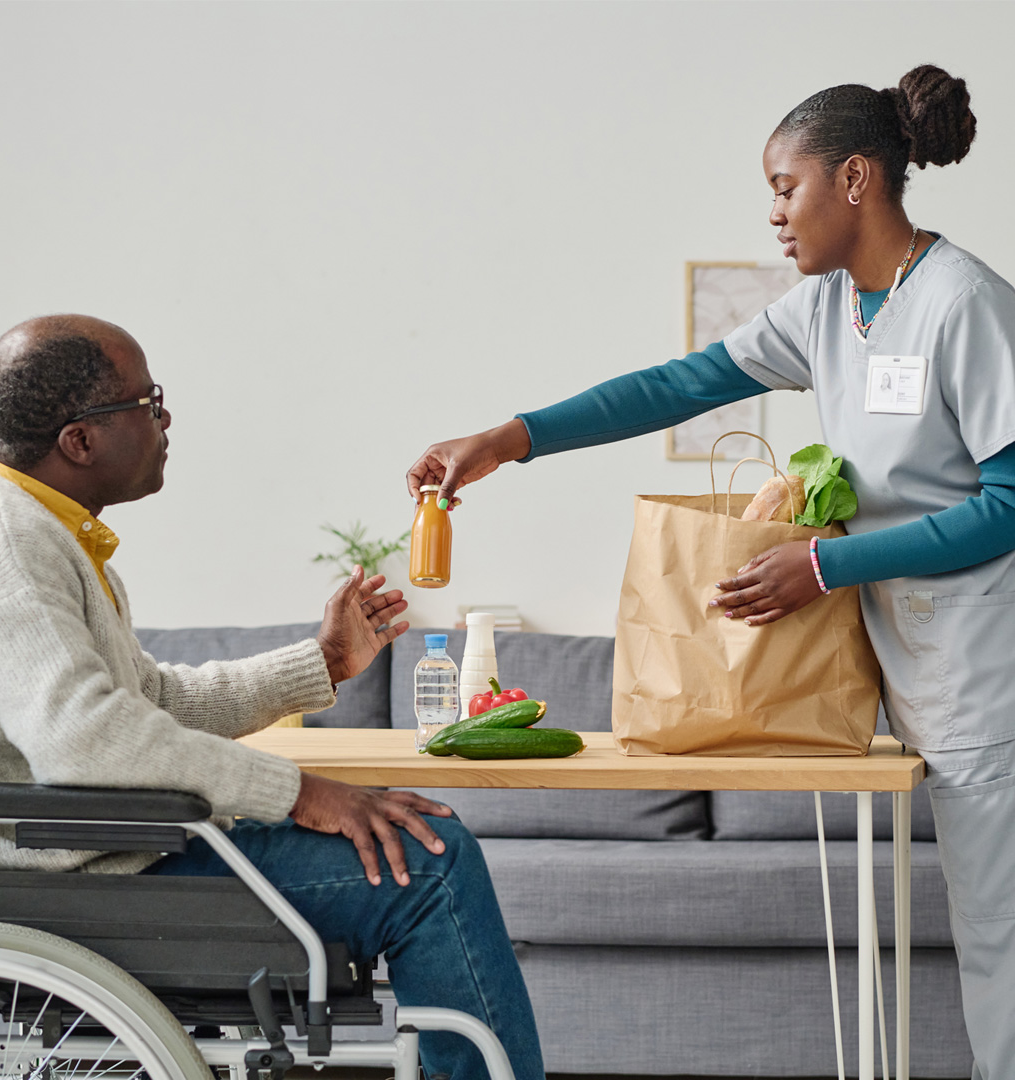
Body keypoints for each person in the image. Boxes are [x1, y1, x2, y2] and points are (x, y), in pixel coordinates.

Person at [408, 65, 1015, 1079]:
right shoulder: (827, 311)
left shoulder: (966, 304)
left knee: (998, 940)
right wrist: (509, 438)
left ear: (856, 179)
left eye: (787, 187)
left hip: (984, 667)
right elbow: (676, 385)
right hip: (893, 664)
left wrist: (824, 565)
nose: (775, 214)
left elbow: (1008, 505)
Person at [0, 314, 545, 1080]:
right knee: (432, 864)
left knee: (423, 846)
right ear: (79, 441)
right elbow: (83, 737)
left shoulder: (43, 533)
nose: (165, 420)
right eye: (147, 401)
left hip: (130, 852)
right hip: (92, 879)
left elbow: (149, 701)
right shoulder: (3, 544)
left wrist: (319, 662)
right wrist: (298, 793)